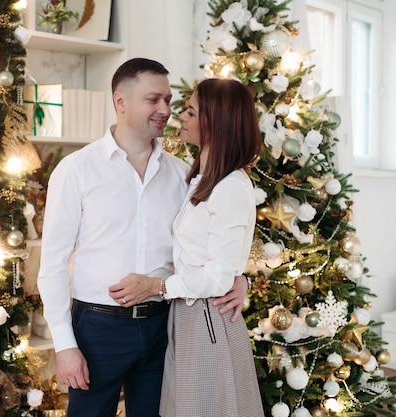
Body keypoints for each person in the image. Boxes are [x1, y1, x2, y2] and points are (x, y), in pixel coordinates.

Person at [36, 58, 249, 417]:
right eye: (154, 100)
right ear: (121, 101)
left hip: (164, 327)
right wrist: (64, 345)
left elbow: (207, 244)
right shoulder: (77, 170)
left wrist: (239, 277)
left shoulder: (184, 176)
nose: (166, 110)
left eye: (169, 100)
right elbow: (53, 264)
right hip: (97, 329)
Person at [110, 78, 263, 416]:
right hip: (188, 315)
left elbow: (219, 276)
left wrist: (156, 285)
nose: (179, 115)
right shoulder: (198, 179)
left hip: (208, 318)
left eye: (191, 111)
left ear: (215, 122)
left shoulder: (230, 187)